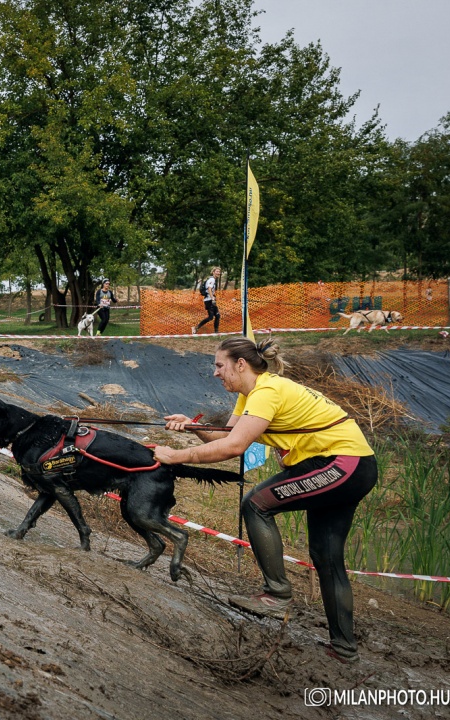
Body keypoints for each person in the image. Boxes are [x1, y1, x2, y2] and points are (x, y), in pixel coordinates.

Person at [151, 337, 377, 663]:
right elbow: (226, 436)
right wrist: (192, 425)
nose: (215, 373)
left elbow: (233, 448)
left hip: (342, 463)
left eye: (219, 365)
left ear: (240, 364)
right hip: (348, 464)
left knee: (256, 503)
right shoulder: (251, 394)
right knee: (326, 557)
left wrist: (175, 456)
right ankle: (344, 649)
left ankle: (277, 595)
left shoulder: (266, 392)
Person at [193, 266, 222, 334]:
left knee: (217, 315)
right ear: (213, 272)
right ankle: (196, 328)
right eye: (217, 271)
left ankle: (216, 331)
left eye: (219, 272)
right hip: (209, 300)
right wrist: (212, 298)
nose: (218, 273)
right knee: (211, 317)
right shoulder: (212, 279)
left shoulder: (213, 279)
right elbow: (209, 289)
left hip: (210, 299)